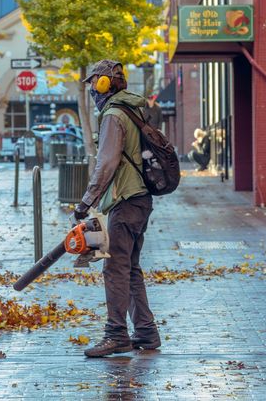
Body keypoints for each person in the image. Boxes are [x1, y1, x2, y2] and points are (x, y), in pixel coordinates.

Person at [74, 59, 161, 358]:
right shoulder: (132, 108)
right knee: (130, 267)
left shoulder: (113, 114)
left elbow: (107, 162)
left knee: (115, 268)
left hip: (127, 200)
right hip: (141, 199)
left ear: (103, 84)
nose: (92, 93)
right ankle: (146, 332)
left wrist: (86, 201)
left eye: (93, 85)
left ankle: (116, 335)